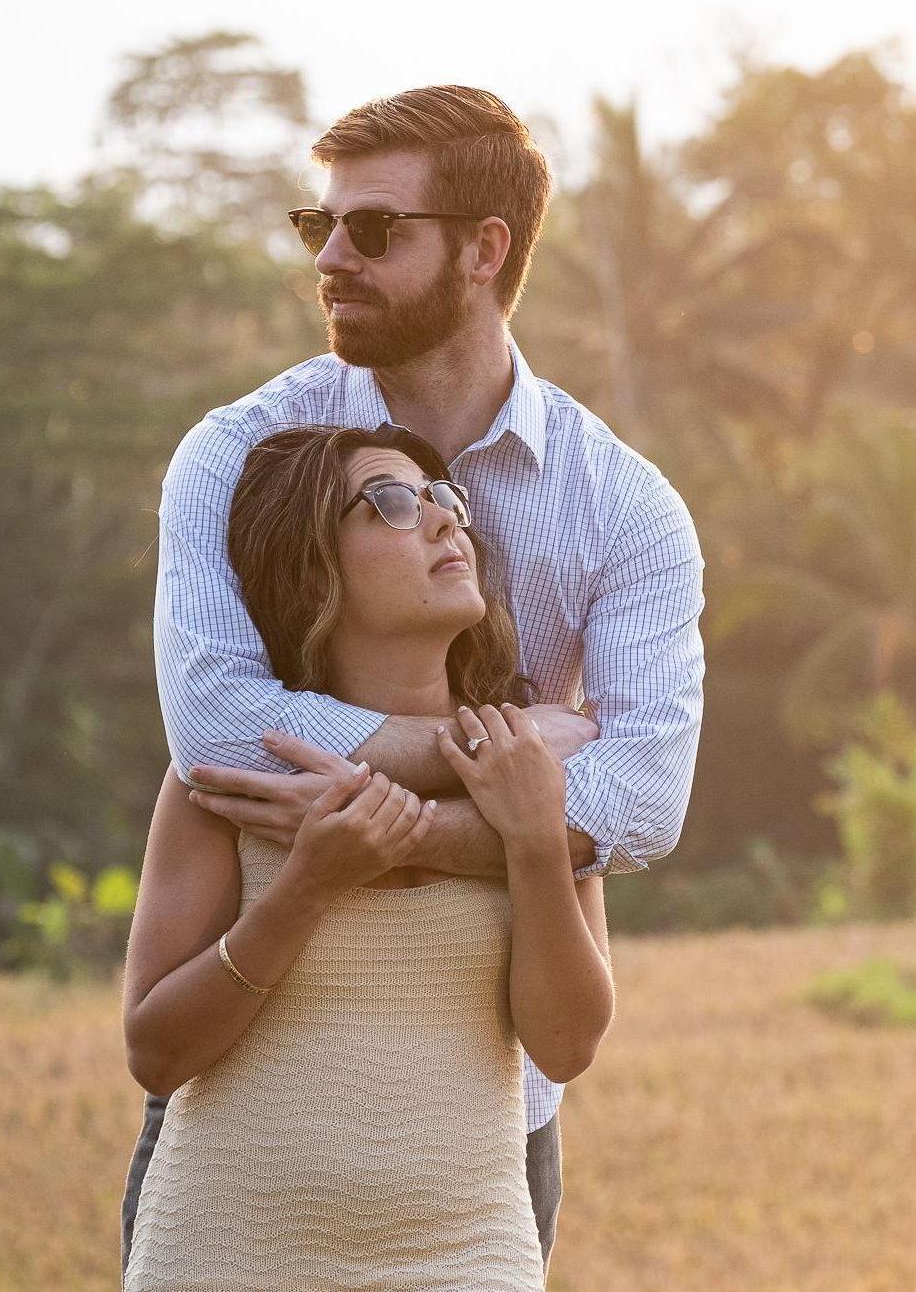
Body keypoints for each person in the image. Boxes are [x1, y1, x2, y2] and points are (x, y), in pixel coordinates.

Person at [119, 84, 706, 1281]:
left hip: (486, 1147)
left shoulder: (626, 505)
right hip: (245, 1157)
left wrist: (405, 831)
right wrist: (518, 757)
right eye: (318, 225)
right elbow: (217, 729)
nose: (331, 257)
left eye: (375, 230)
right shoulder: (239, 456)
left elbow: (644, 802)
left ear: (486, 251)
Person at [123, 422, 613, 1288]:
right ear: (312, 566)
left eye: (444, 499)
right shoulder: (233, 773)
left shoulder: (530, 771)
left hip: (472, 1256)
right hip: (227, 1252)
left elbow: (566, 1046)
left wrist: (535, 842)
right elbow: (157, 1055)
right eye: (391, 501)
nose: (441, 521)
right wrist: (305, 889)